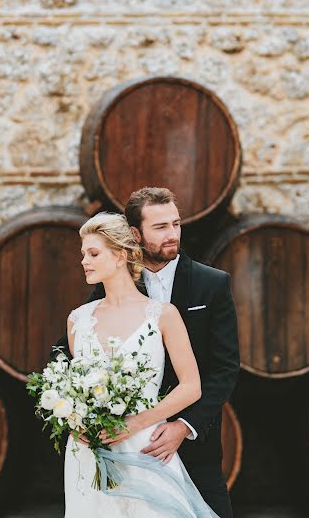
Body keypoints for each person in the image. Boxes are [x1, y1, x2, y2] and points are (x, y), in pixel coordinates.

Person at [53, 187, 240, 518]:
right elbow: (67, 356)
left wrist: (183, 426)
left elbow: (224, 369)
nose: (172, 234)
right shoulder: (105, 289)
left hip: (188, 443)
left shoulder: (211, 285)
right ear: (135, 235)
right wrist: (72, 412)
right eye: (160, 227)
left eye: (176, 224)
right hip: (108, 448)